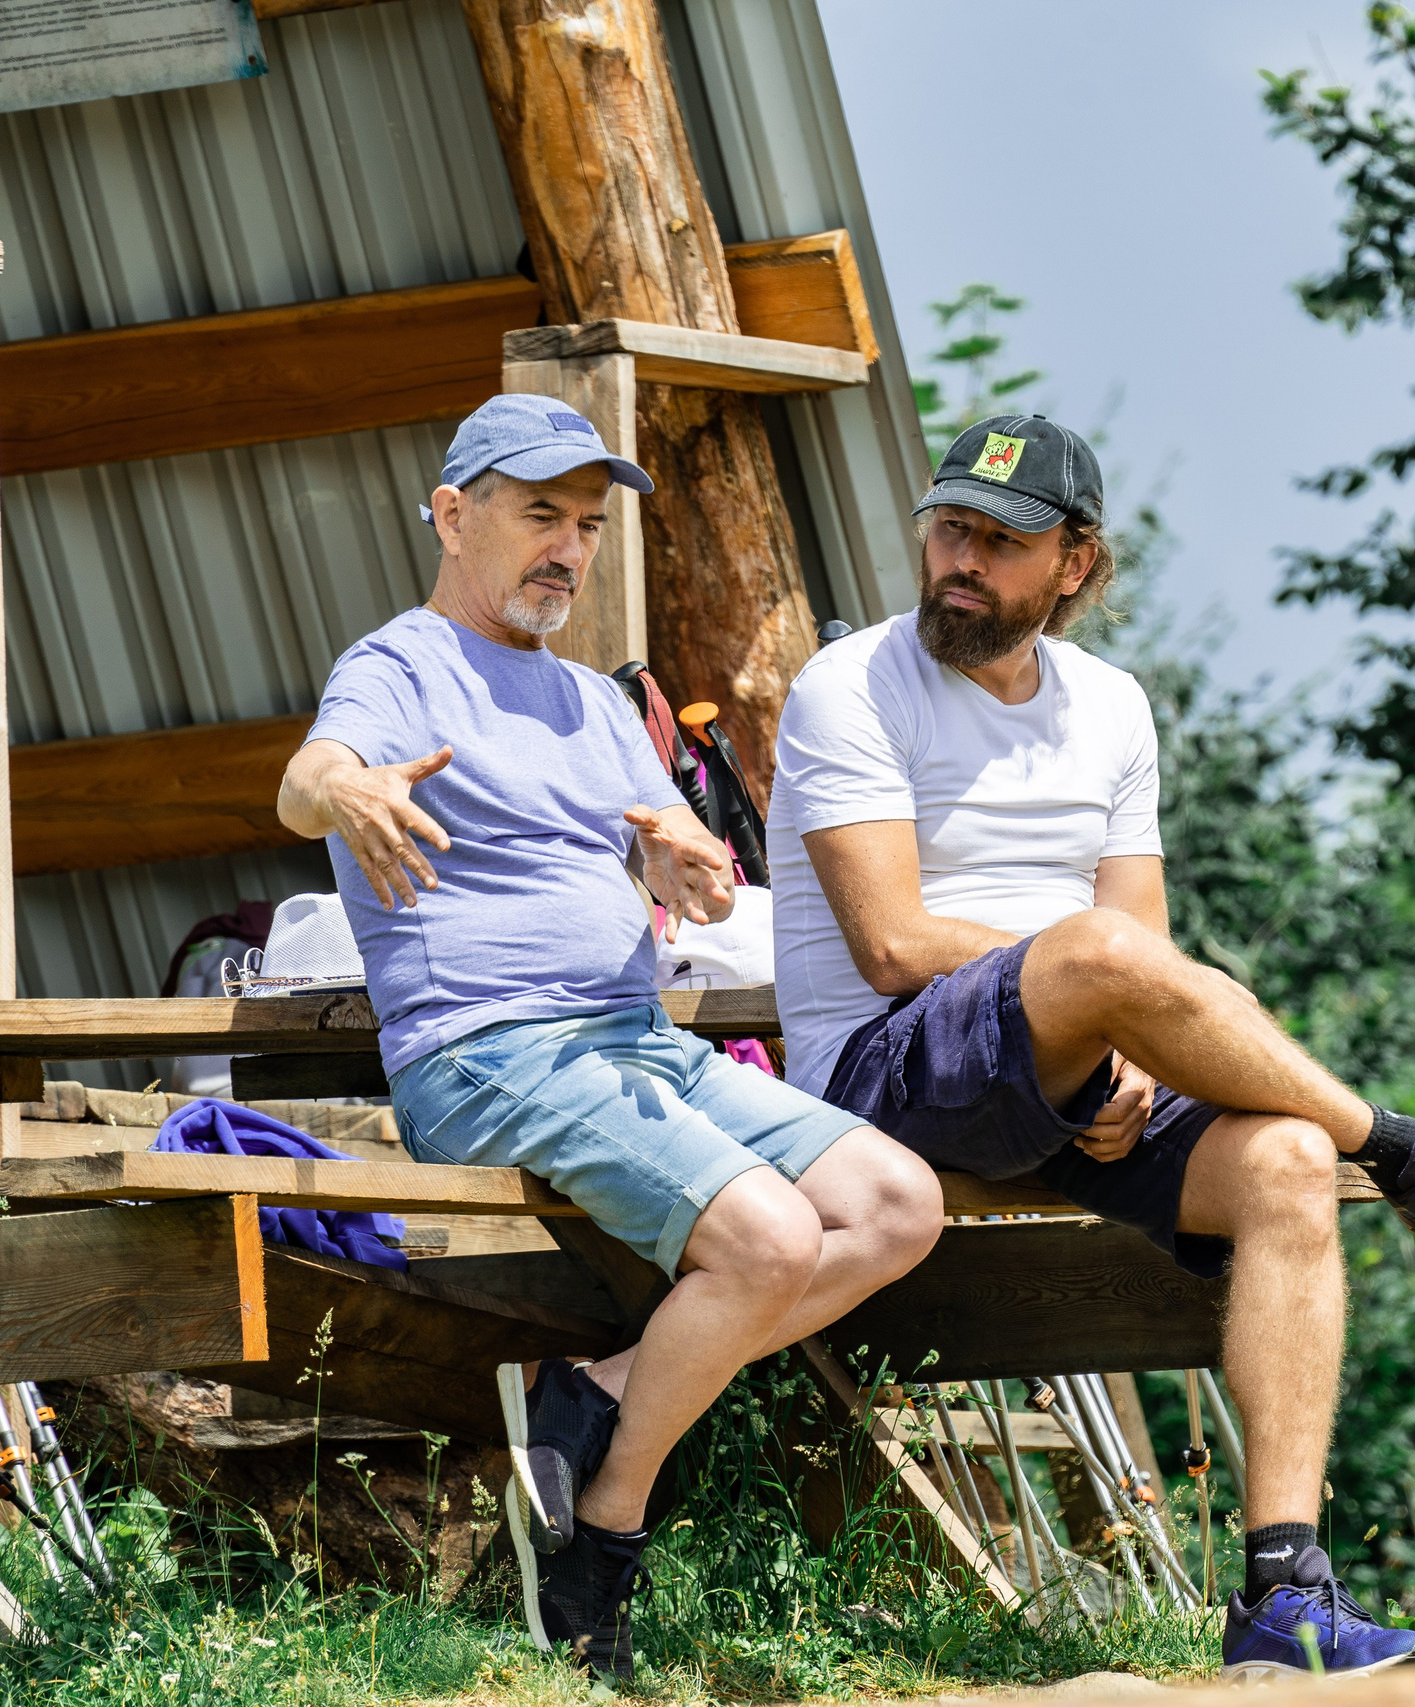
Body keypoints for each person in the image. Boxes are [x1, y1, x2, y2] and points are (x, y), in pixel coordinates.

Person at [769, 413, 1415, 1678]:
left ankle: (1282, 1594)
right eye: (948, 528)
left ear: (1077, 566)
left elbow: (1143, 949)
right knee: (1096, 953)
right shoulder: (853, 685)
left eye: (1000, 541)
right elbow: (890, 944)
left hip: (1060, 1072)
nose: (959, 559)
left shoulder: (1110, 706)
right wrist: (1090, 986)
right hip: (882, 1084)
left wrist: (1130, 1066)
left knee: (1278, 1165)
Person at [275, 395, 944, 1678]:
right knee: (770, 1239)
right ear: (452, 514)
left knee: (895, 1204)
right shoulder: (400, 664)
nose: (567, 549)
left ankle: (588, 1398)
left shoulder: (589, 696)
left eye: (585, 524)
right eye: (539, 516)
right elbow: (310, 777)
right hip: (488, 1050)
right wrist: (348, 788)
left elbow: (642, 827)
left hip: (635, 1040)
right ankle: (606, 1528)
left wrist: (672, 849)